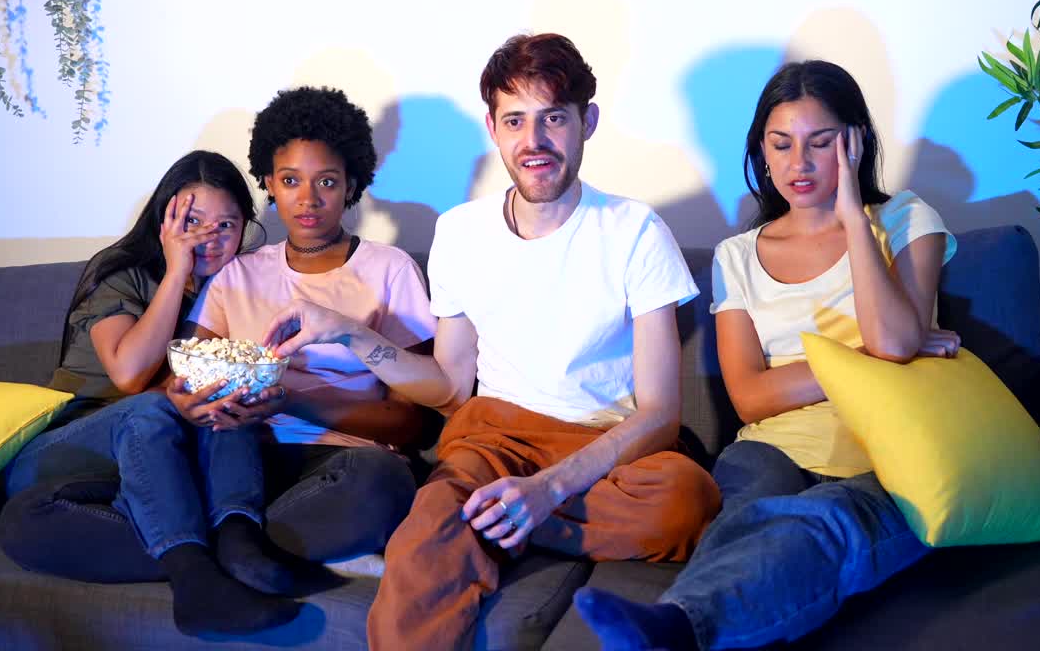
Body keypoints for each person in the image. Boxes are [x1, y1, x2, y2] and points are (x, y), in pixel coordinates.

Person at [258, 33, 722, 650]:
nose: (534, 142)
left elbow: (661, 414)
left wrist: (551, 488)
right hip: (493, 439)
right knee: (426, 533)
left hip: (601, 444)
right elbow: (449, 386)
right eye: (516, 121)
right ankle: (490, 516)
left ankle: (497, 522)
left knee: (686, 499)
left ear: (587, 121)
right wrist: (349, 333)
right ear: (494, 128)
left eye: (554, 118)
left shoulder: (635, 230)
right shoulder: (461, 232)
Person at [574, 59, 962, 650]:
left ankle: (678, 628)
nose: (799, 164)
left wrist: (854, 215)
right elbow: (752, 395)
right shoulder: (737, 256)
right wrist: (865, 356)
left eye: (822, 143)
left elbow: (896, 341)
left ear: (856, 142)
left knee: (829, 519)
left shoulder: (906, 220)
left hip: (888, 451)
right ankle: (678, 627)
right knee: (741, 521)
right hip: (771, 445)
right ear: (762, 150)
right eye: (781, 145)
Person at [0, 150, 303, 637]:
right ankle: (195, 582)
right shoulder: (119, 273)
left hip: (151, 464)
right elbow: (128, 374)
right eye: (192, 222)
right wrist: (175, 269)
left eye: (227, 225)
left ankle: (239, 546)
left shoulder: (235, 285)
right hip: (70, 446)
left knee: (220, 404)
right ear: (165, 220)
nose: (209, 237)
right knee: (151, 408)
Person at [184, 85, 434, 566]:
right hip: (242, 457)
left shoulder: (390, 270)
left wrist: (293, 399)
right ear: (269, 184)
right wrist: (188, 400)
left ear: (351, 186)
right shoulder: (238, 272)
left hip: (343, 461)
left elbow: (414, 423)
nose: (309, 200)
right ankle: (257, 552)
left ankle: (221, 551)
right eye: (291, 180)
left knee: (383, 481)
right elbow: (192, 379)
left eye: (327, 182)